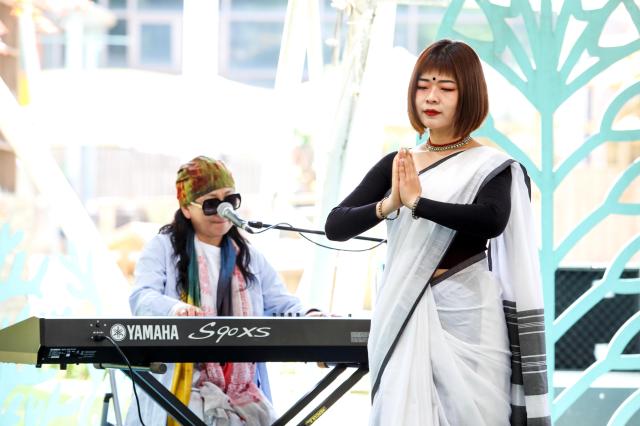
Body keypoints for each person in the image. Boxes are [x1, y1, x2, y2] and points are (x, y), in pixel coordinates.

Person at [325, 39, 549, 425]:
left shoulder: (492, 165)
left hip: (470, 317)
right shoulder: (400, 164)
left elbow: (491, 219)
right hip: (403, 311)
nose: (431, 97)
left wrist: (418, 204)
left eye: (446, 88)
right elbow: (336, 225)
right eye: (423, 86)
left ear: (470, 96)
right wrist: (390, 204)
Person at [125, 156, 312, 426]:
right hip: (183, 390)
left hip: (243, 396)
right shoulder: (162, 247)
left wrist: (311, 314)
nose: (222, 210)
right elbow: (141, 297)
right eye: (211, 203)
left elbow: (281, 303)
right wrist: (176, 309)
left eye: (229, 201)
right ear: (187, 209)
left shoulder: (249, 256)